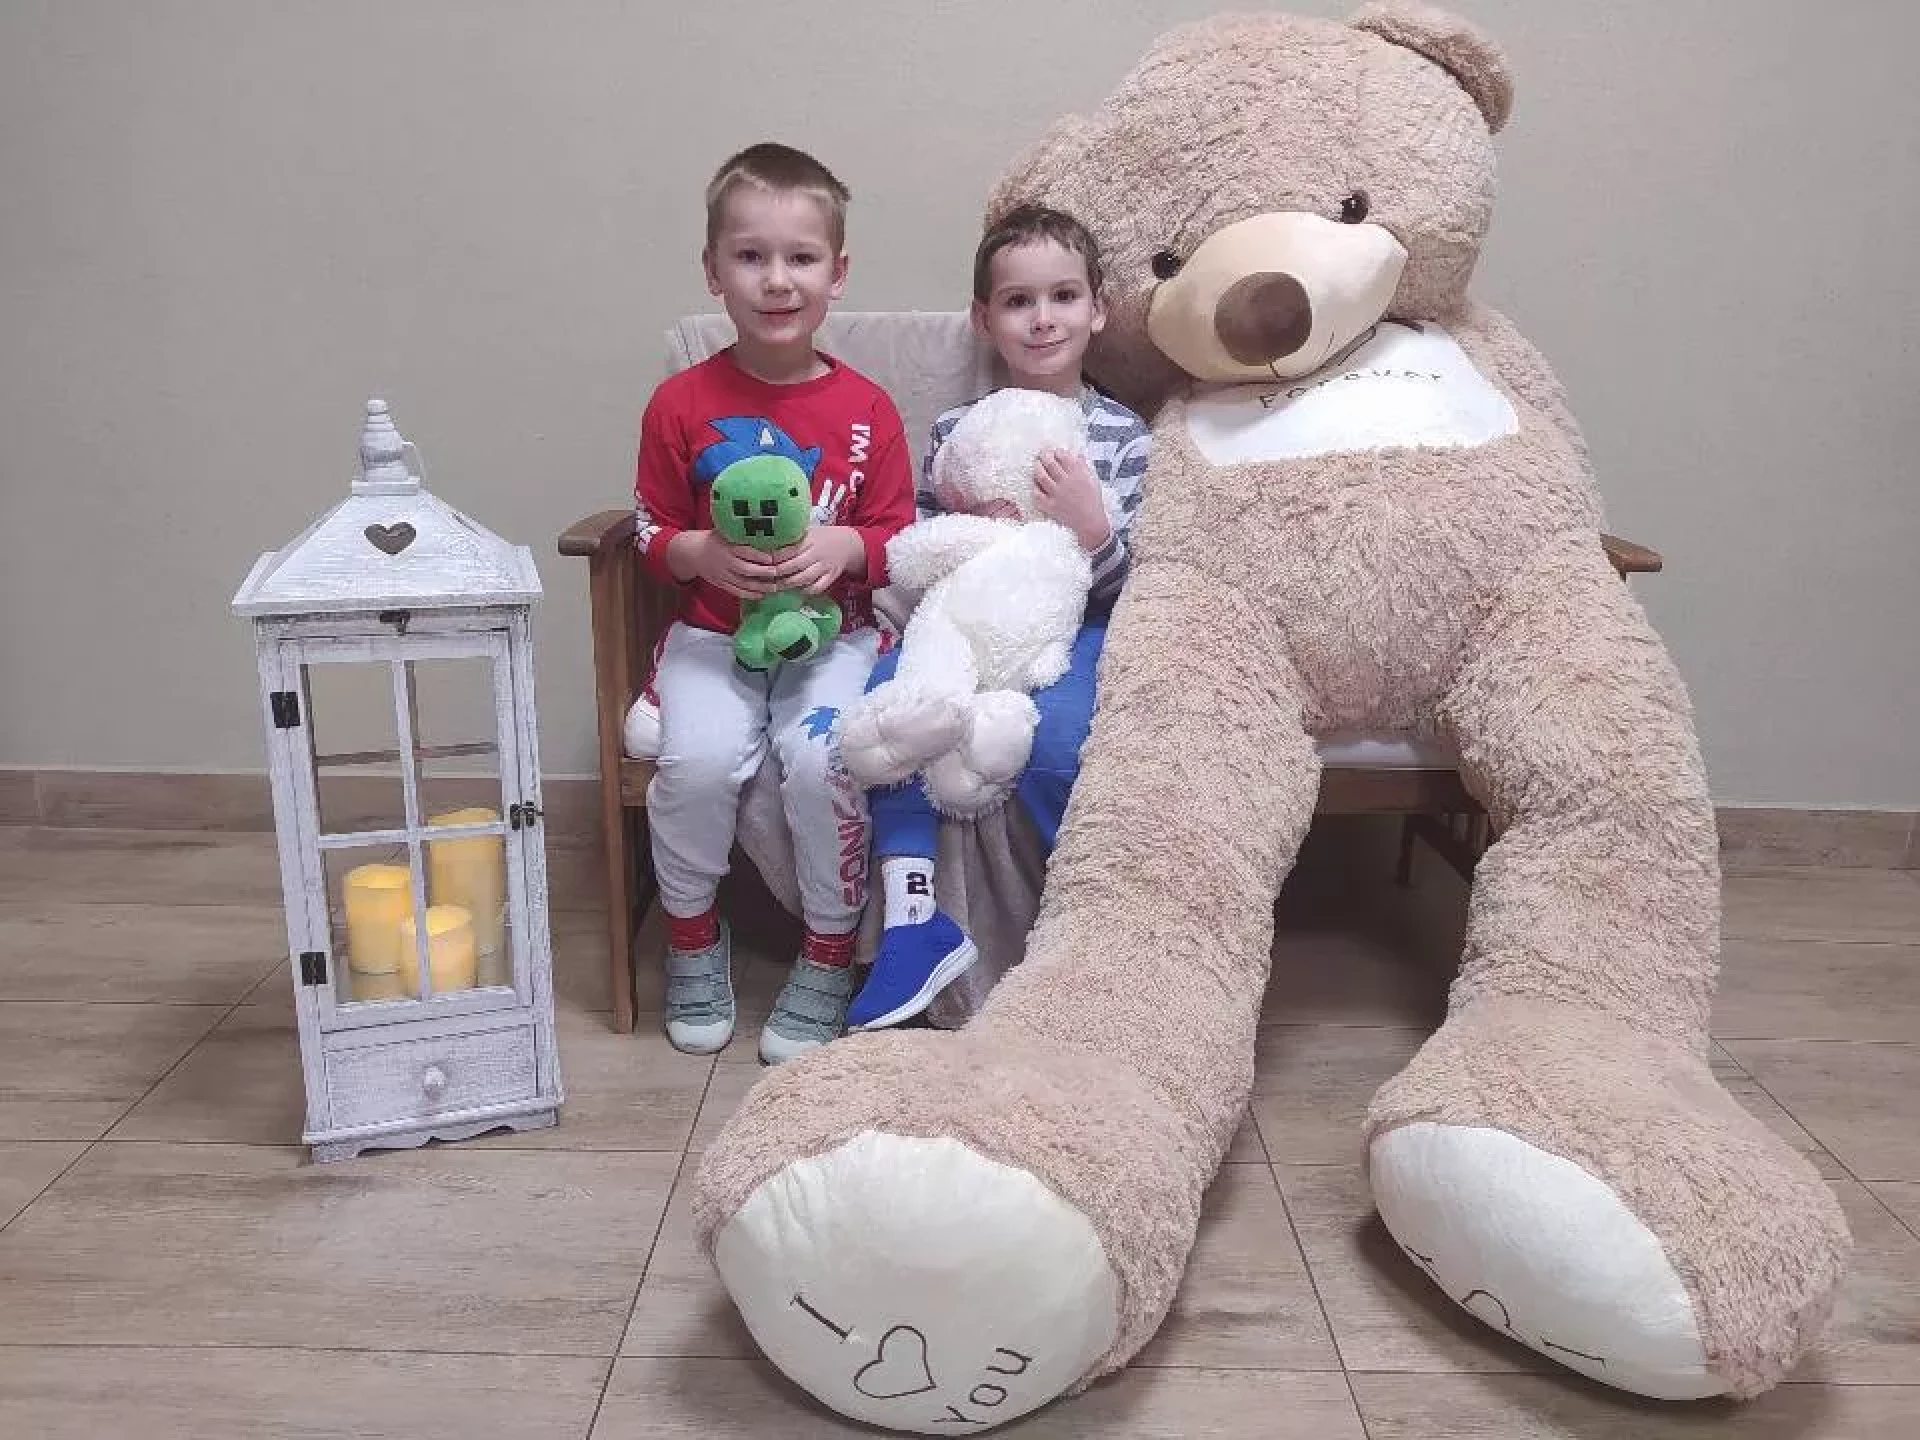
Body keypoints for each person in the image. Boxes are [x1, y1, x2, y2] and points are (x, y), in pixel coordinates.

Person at [631, 142, 915, 1063]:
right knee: (698, 762)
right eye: (751, 256)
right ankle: (690, 934)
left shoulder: (868, 409)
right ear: (714, 270)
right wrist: (697, 552)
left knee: (821, 757)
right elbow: (648, 529)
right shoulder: (680, 403)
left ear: (838, 272)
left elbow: (899, 534)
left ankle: (829, 947)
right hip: (712, 638)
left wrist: (849, 547)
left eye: (801, 257)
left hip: (833, 639)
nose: (777, 279)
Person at [846, 204, 1150, 1031]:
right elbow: (916, 547)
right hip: (959, 623)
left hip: (1073, 633)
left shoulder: (1122, 436)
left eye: (1063, 297)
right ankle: (913, 926)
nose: (1042, 318)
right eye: (1019, 301)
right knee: (892, 711)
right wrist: (964, 530)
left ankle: (1079, 939)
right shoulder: (959, 431)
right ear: (984, 318)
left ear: (1098, 309)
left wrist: (1091, 529)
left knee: (1060, 748)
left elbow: (1134, 585)